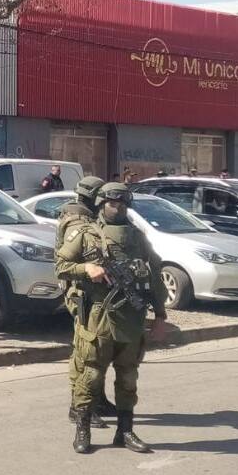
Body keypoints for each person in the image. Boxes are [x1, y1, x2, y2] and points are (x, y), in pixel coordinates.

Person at [55, 182, 168, 454]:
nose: (117, 208)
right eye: (112, 203)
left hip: (132, 317)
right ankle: (83, 428)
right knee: (91, 375)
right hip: (98, 316)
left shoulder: (137, 237)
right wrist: (87, 268)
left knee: (128, 377)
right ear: (101, 204)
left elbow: (154, 275)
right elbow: (61, 266)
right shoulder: (85, 233)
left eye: (122, 204)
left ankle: (125, 431)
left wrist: (160, 314)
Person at [55, 176, 116, 430]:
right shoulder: (76, 222)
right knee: (84, 351)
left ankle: (97, 399)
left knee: (100, 349)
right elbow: (63, 265)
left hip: (96, 294)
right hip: (83, 294)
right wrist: (87, 268)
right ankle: (79, 406)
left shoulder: (87, 218)